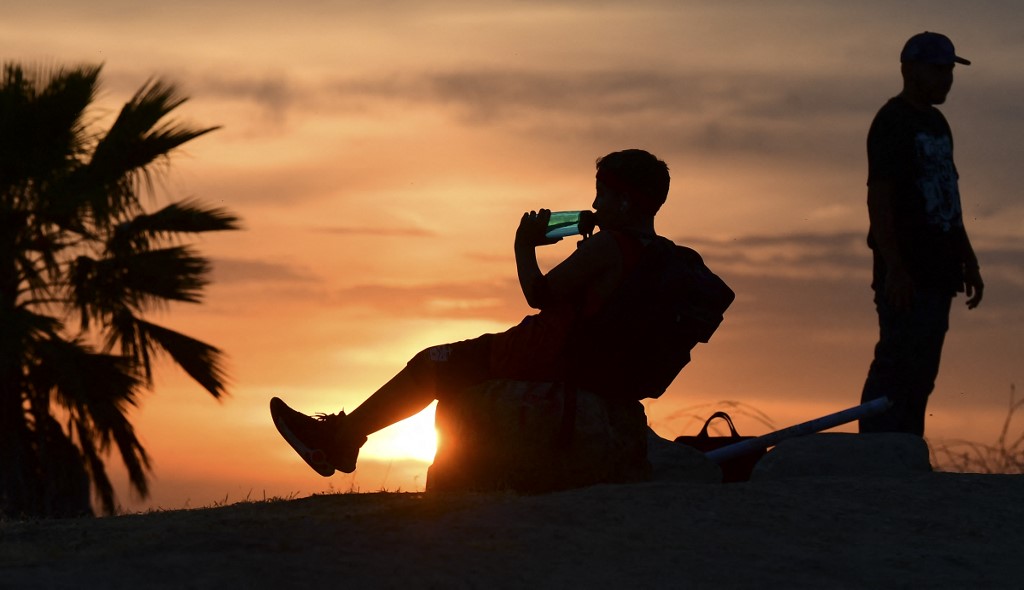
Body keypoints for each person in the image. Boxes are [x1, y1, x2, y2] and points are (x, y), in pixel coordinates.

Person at [271, 149, 671, 477]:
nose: (595, 205)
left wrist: (523, 245)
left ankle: (340, 439)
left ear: (623, 200)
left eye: (602, 194)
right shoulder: (657, 255)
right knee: (436, 363)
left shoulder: (610, 247)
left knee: (431, 363)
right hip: (583, 365)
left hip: (539, 354)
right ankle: (344, 437)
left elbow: (539, 293)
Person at [859, 32, 984, 436]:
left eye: (950, 70)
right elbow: (879, 198)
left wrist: (968, 257)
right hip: (907, 272)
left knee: (924, 365)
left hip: (940, 268)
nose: (947, 78)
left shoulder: (937, 123)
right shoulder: (892, 121)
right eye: (938, 69)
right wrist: (894, 267)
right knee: (897, 358)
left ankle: (906, 444)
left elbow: (949, 191)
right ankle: (877, 448)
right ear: (910, 70)